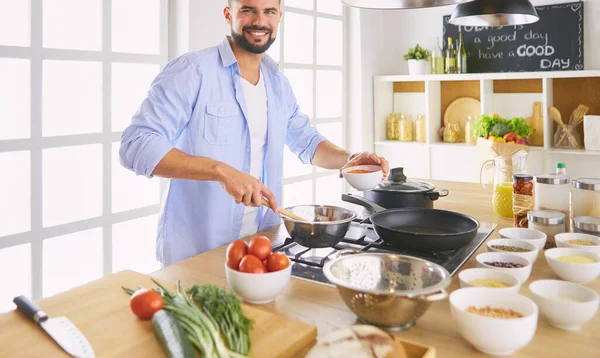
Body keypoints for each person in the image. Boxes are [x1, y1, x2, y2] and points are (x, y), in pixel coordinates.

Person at [119, 0, 389, 267]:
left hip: (261, 247)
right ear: (229, 14)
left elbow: (306, 141)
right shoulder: (193, 71)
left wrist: (350, 159)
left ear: (279, 17)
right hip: (197, 252)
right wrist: (220, 171)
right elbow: (136, 145)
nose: (259, 21)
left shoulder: (278, 84)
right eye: (248, 10)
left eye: (269, 11)